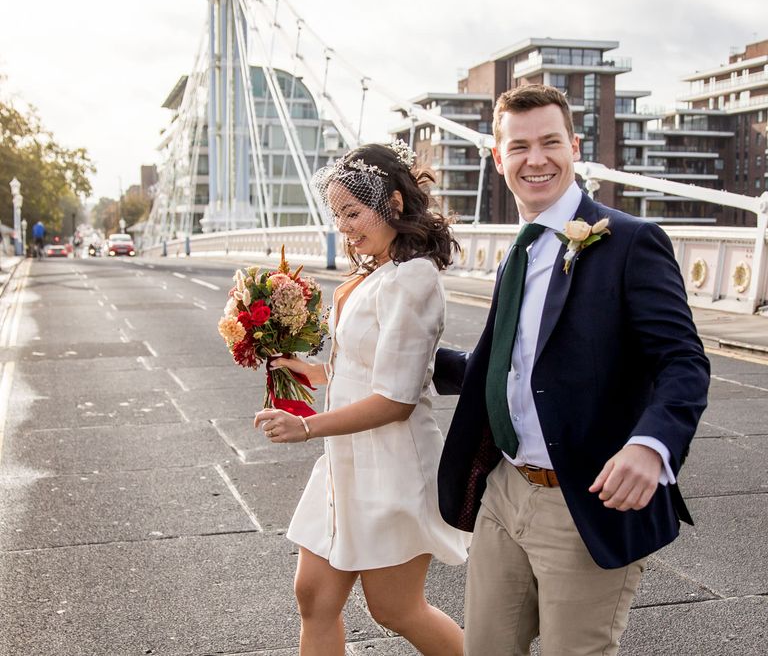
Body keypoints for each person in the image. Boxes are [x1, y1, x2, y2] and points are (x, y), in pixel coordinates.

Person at [434, 84, 710, 656]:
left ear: (574, 146)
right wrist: (399, 360)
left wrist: (650, 445)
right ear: (498, 157)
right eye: (519, 147)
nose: (536, 159)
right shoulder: (520, 250)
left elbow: (682, 361)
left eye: (550, 142)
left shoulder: (631, 241)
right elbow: (512, 372)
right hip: (506, 490)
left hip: (584, 500)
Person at [253, 141, 469, 656]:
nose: (344, 226)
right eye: (337, 215)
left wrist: (305, 427)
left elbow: (395, 399)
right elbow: (359, 366)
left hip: (391, 461)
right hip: (347, 458)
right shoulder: (371, 272)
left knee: (395, 609)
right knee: (314, 597)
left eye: (353, 212)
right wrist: (308, 370)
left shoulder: (413, 279)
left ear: (394, 202)